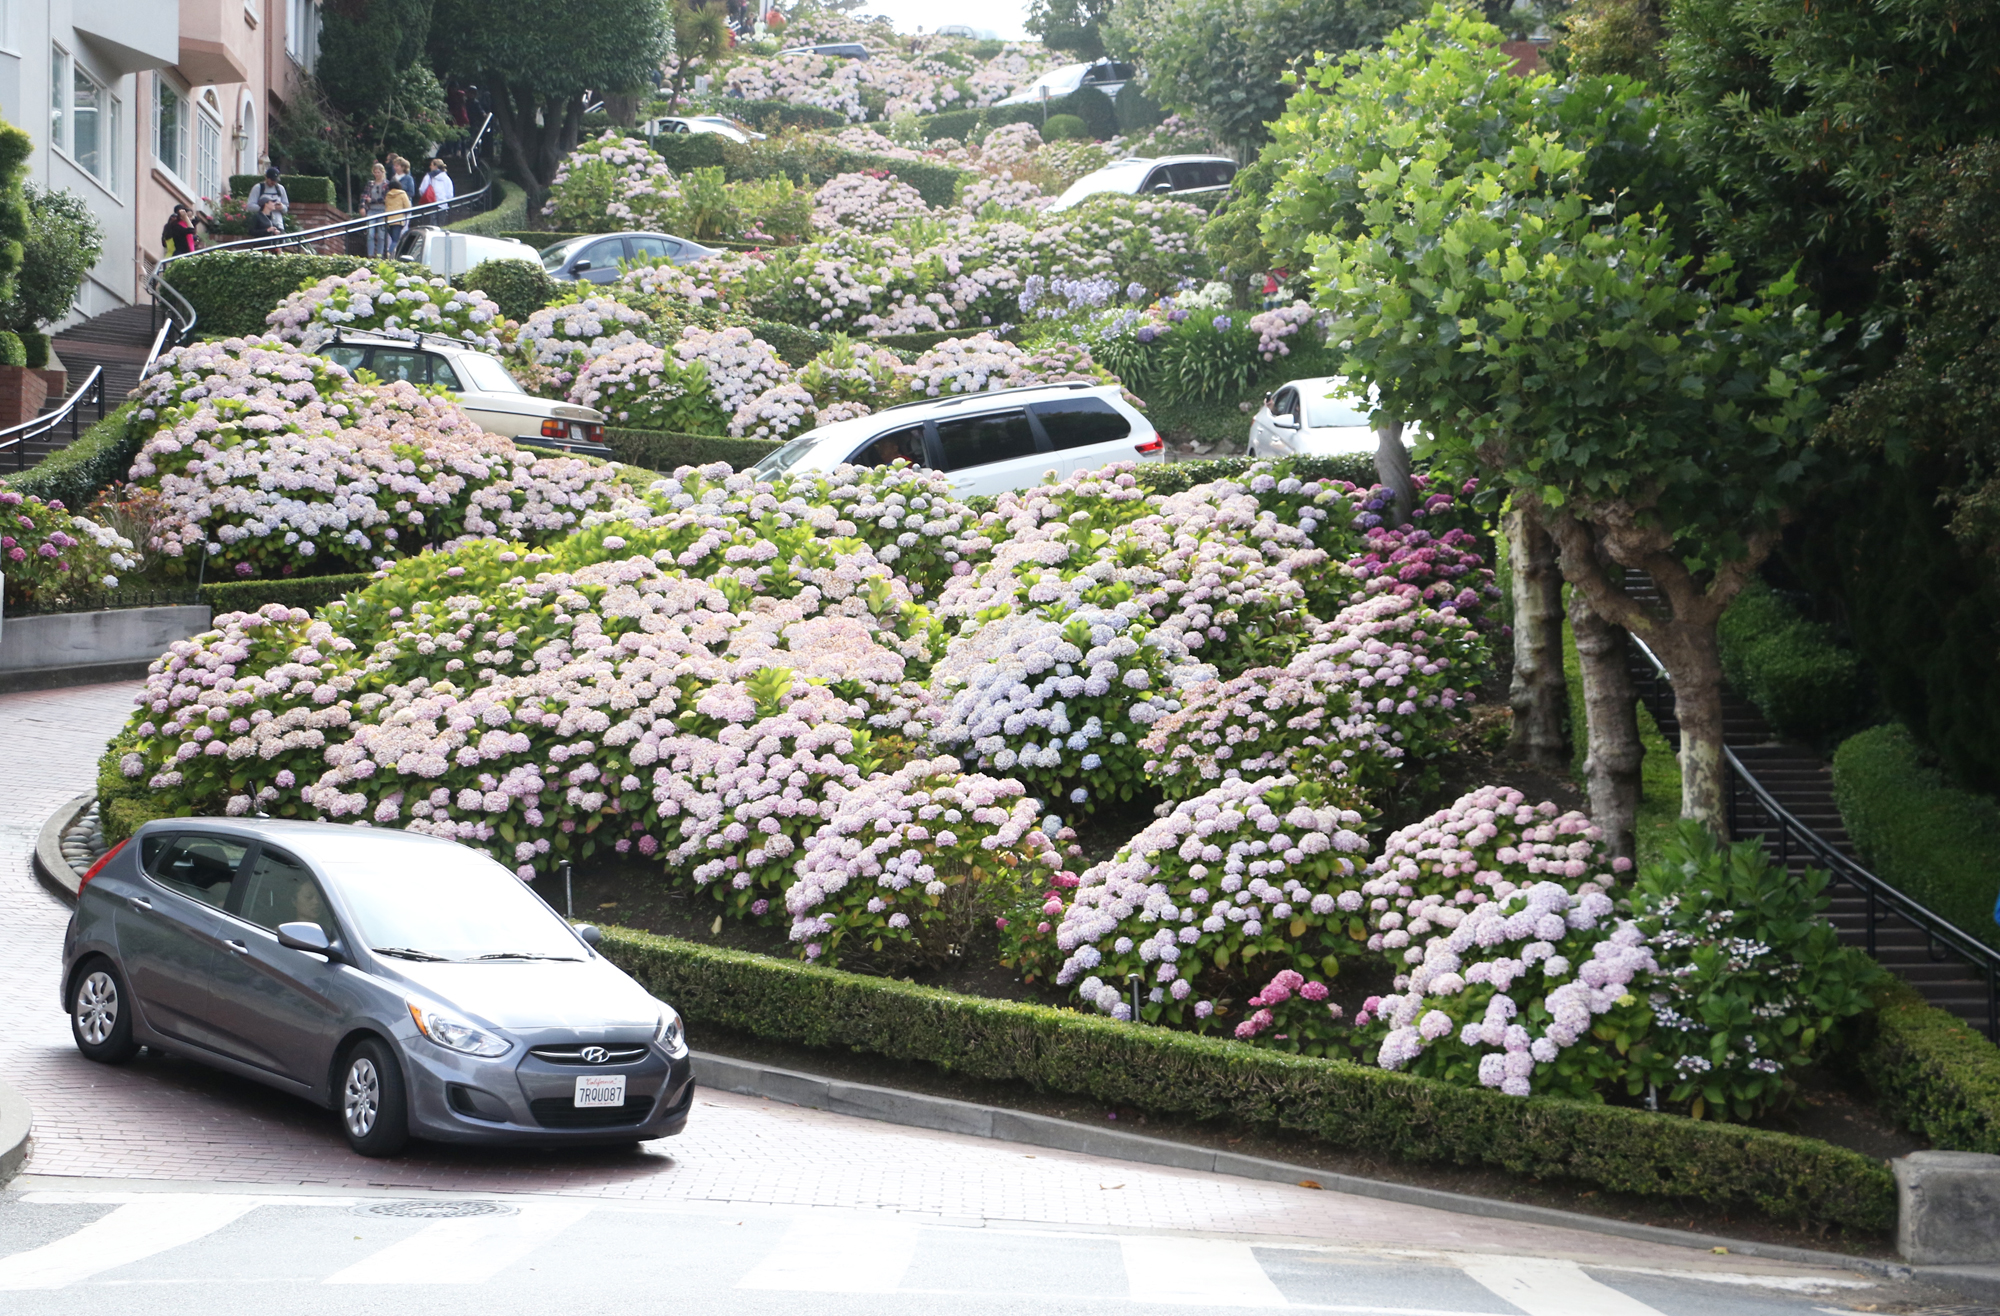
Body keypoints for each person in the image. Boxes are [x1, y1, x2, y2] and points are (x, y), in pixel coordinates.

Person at [360, 162, 391, 257]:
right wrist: (362, 206)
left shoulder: (387, 184)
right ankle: (370, 255)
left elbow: (386, 198)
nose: (377, 174)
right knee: (370, 233)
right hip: (371, 211)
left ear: (382, 172)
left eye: (378, 172)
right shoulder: (370, 184)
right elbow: (364, 196)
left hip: (382, 211)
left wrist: (372, 200)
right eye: (375, 172)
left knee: (381, 235)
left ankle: (379, 255)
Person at [383, 163, 412, 255]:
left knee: (392, 239)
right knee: (396, 240)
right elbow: (407, 206)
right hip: (398, 220)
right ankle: (390, 255)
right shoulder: (402, 193)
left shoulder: (387, 195)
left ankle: (391, 253)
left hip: (388, 220)